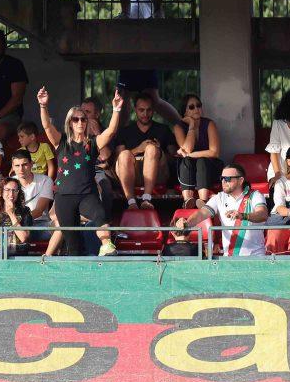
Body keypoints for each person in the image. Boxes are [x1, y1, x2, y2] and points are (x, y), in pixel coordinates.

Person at [38, 86, 123, 256]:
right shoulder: (62, 142)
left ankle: (107, 245)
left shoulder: (92, 143)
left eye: (83, 119)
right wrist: (43, 106)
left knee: (100, 216)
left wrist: (116, 109)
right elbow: (47, 126)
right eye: (75, 119)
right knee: (73, 245)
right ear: (69, 122)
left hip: (87, 195)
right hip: (64, 197)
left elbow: (111, 131)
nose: (80, 123)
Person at [177, 163, 269, 257]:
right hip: (229, 258)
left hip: (256, 257)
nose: (224, 181)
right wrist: (187, 222)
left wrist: (243, 215)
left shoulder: (255, 195)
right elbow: (202, 213)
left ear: (241, 180)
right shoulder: (219, 197)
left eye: (228, 178)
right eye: (222, 178)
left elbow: (263, 214)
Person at [113, 91, 176, 210]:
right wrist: (138, 149)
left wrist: (159, 151)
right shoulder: (125, 131)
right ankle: (131, 202)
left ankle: (146, 199)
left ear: (153, 110)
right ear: (135, 109)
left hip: (158, 174)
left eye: (149, 110)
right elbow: (118, 159)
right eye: (141, 110)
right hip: (130, 174)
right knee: (125, 154)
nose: (145, 114)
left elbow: (174, 159)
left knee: (151, 149)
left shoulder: (163, 129)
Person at [173, 93, 222, 208]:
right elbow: (187, 149)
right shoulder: (178, 127)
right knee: (186, 162)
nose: (196, 109)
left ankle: (203, 201)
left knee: (201, 161)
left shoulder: (209, 124)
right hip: (189, 169)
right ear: (184, 111)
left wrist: (191, 155)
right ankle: (187, 201)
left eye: (198, 105)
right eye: (191, 107)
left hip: (209, 167)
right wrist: (191, 126)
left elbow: (214, 152)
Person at [0, 176, 34, 255]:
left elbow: (23, 238)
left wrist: (12, 214)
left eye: (15, 190)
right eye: (7, 190)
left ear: (18, 193)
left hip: (19, 257)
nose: (11, 194)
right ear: (1, 192)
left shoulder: (25, 211)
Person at [10, 149, 53, 223]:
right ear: (13, 167)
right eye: (17, 165)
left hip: (39, 222)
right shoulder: (9, 183)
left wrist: (19, 221)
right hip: (15, 223)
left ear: (31, 164)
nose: (21, 169)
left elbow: (39, 211)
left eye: (25, 165)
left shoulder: (45, 180)